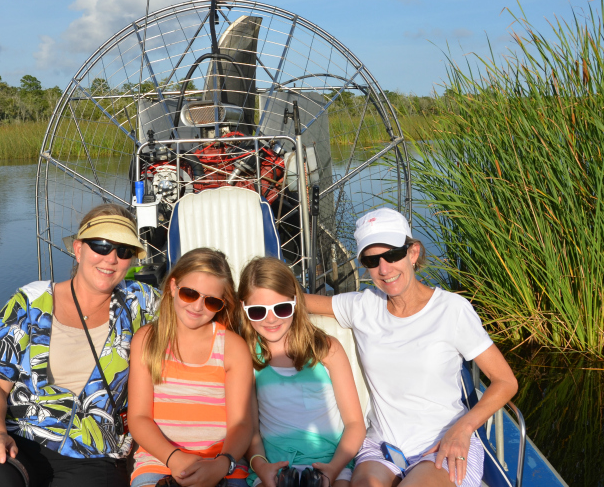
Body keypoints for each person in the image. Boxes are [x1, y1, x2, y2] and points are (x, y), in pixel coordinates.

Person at [305, 208, 518, 487]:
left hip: (443, 444)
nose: (384, 269)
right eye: (372, 260)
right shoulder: (363, 306)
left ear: (413, 253)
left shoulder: (452, 310)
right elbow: (296, 300)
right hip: (382, 447)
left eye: (392, 254)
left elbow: (505, 381)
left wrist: (463, 429)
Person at [0, 203, 161, 487]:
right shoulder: (30, 302)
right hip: (15, 434)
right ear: (78, 249)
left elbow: (199, 307)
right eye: (101, 245)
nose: (111, 258)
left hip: (90, 453)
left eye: (123, 250)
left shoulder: (143, 304)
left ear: (132, 260)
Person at [128, 248, 254, 487]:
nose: (198, 307)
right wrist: (174, 458)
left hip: (223, 463)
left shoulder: (232, 348)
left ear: (222, 304)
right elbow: (139, 417)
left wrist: (221, 464)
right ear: (173, 287)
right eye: (189, 294)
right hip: (159, 461)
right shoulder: (147, 340)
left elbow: (242, 424)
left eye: (212, 301)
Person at [237, 257, 366, 487]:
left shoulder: (326, 349)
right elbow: (252, 432)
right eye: (258, 311)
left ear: (295, 302)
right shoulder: (247, 357)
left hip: (331, 464)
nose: (271, 319)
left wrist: (333, 470)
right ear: (244, 309)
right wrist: (261, 466)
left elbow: (355, 424)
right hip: (274, 467)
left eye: (282, 308)